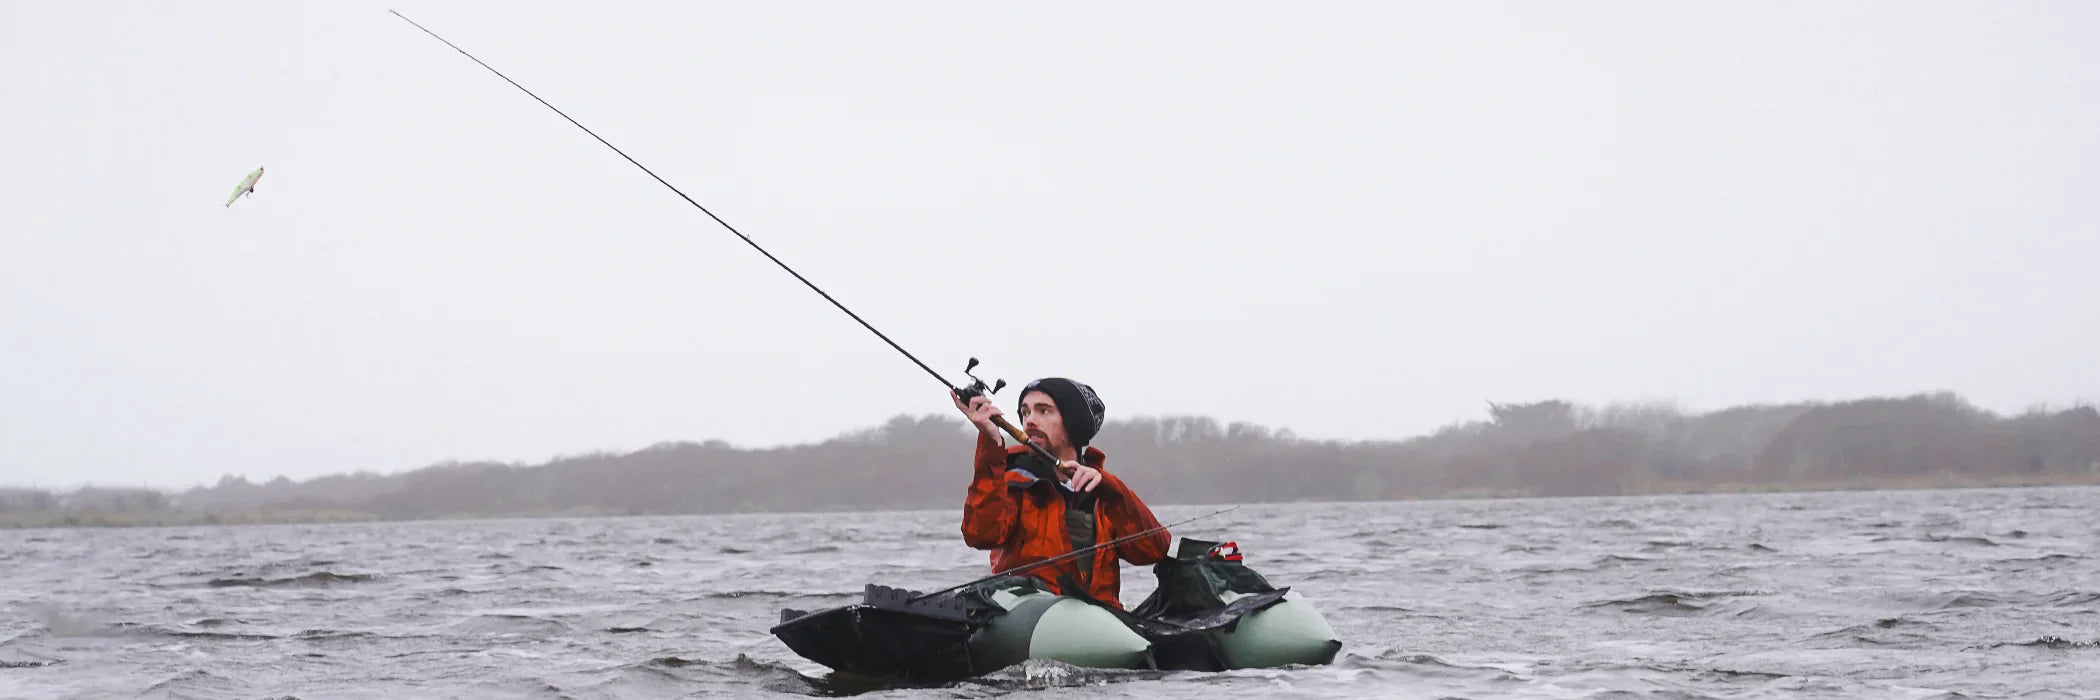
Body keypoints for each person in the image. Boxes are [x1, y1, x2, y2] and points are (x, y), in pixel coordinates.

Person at [951, 377, 1171, 610]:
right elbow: (980, 536)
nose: (1030, 420)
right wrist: (990, 442)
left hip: (1100, 620)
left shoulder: (1105, 490)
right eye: (1025, 412)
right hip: (1031, 615)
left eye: (1043, 411)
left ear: (1072, 424)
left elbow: (1153, 550)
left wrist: (1112, 490)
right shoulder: (1011, 481)